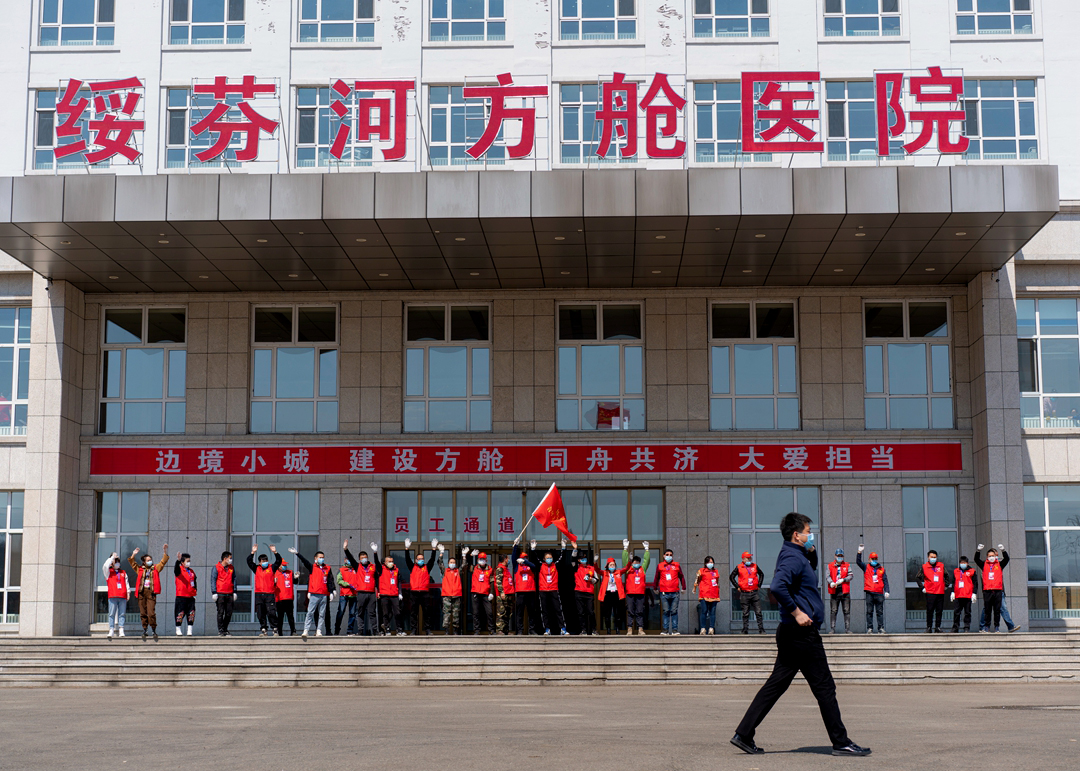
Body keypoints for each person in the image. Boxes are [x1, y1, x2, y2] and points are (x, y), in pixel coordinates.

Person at [731, 512, 870, 757]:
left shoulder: (795, 555)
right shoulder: (793, 558)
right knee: (825, 688)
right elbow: (777, 586)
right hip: (802, 634)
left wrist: (812, 553)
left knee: (775, 685)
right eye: (807, 532)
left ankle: (743, 734)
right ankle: (841, 742)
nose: (810, 535)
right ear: (797, 535)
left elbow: (804, 577)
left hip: (791, 634)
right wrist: (797, 613)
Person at [291, 547, 335, 639]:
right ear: (315, 558)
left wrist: (332, 591)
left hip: (324, 594)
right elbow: (304, 561)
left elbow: (330, 580)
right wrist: (297, 553)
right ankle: (306, 630)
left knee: (322, 614)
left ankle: (319, 630)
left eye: (323, 557)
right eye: (320, 557)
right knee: (310, 612)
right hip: (314, 594)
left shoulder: (327, 568)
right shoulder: (312, 567)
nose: (321, 559)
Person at [128, 544, 168, 641]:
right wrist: (133, 554)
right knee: (143, 613)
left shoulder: (155, 568)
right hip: (142, 592)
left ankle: (153, 629)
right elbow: (133, 564)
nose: (150, 561)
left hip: (151, 592)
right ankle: (145, 630)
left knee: (151, 613)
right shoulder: (140, 569)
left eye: (151, 560)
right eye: (148, 560)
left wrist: (165, 552)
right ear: (144, 562)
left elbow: (162, 563)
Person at [404, 538, 439, 635]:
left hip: (425, 593)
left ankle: (427, 629)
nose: (420, 560)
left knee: (427, 612)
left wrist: (434, 549)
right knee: (413, 613)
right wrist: (406, 549)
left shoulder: (427, 567)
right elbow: (407, 560)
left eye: (422, 559)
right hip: (414, 593)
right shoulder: (413, 567)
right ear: (416, 560)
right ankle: (414, 630)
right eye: (419, 559)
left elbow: (432, 560)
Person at [246, 544, 282, 637]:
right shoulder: (256, 569)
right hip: (259, 594)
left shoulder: (271, 568)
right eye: (263, 561)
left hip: (269, 594)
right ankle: (264, 629)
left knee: (271, 611)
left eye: (266, 561)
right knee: (260, 612)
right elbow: (249, 562)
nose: (265, 562)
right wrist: (252, 552)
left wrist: (275, 552)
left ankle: (275, 629)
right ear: (260, 563)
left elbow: (278, 561)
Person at [344, 541, 378, 636]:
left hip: (371, 593)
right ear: (359, 559)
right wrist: (346, 549)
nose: (364, 559)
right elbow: (351, 558)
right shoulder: (357, 566)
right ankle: (360, 630)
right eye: (362, 558)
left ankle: (375, 631)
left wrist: (375, 553)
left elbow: (378, 568)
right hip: (361, 592)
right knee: (360, 613)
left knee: (372, 613)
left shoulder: (372, 567)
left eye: (365, 557)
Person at [538, 540, 572, 636]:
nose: (549, 559)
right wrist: (532, 549)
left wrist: (564, 548)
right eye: (547, 558)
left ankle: (563, 629)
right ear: (544, 559)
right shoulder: (541, 565)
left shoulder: (555, 565)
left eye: (550, 557)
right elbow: (535, 559)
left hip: (553, 589)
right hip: (543, 590)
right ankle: (547, 629)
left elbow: (562, 558)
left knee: (558, 609)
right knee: (544, 610)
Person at [975, 543, 1011, 633]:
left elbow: (1007, 559)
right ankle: (986, 627)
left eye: (993, 555)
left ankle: (996, 627)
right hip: (987, 591)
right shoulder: (984, 565)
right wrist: (978, 551)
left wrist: (1003, 550)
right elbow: (976, 559)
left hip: (997, 590)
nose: (991, 557)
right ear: (987, 557)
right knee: (987, 610)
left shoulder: (999, 565)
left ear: (995, 556)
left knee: (997, 610)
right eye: (990, 556)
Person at [372, 542, 405, 636]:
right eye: (389, 561)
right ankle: (387, 629)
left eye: (392, 561)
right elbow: (377, 562)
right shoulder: (381, 569)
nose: (391, 563)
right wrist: (375, 552)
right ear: (385, 562)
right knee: (385, 613)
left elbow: (398, 582)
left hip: (394, 594)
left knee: (397, 613)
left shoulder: (396, 570)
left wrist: (400, 593)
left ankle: (399, 630)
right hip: (384, 594)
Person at [729, 551, 765, 635]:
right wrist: (737, 586)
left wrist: (759, 585)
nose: (749, 559)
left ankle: (761, 629)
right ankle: (745, 629)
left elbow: (761, 574)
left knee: (758, 612)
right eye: (748, 558)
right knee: (745, 613)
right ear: (743, 559)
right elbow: (731, 577)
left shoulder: (754, 566)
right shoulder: (739, 567)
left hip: (754, 592)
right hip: (744, 593)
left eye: (750, 558)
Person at [855, 545, 889, 634]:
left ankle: (881, 628)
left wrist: (887, 591)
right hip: (869, 592)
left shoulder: (881, 569)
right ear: (869, 559)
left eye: (875, 559)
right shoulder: (866, 567)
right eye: (872, 559)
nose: (874, 560)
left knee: (880, 612)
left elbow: (885, 580)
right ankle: (870, 628)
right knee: (869, 611)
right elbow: (858, 562)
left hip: (879, 593)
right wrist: (859, 552)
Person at [512, 540, 543, 635]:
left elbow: (535, 566)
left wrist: (526, 561)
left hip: (530, 591)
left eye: (525, 558)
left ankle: (532, 629)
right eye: (522, 558)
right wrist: (515, 546)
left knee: (531, 612)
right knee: (520, 612)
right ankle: (520, 630)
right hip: (521, 592)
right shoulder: (517, 566)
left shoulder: (530, 567)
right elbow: (513, 557)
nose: (524, 559)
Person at [916, 549, 952, 633]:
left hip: (940, 592)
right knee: (930, 610)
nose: (933, 558)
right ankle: (929, 627)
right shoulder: (924, 567)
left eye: (935, 557)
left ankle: (937, 627)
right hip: (930, 592)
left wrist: (946, 585)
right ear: (928, 558)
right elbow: (917, 577)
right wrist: (922, 587)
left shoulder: (941, 566)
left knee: (939, 610)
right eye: (931, 557)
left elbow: (947, 575)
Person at [654, 548, 686, 636]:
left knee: (674, 611)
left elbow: (681, 576)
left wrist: (684, 587)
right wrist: (655, 588)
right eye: (667, 555)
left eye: (670, 555)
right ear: (663, 556)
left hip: (675, 592)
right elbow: (656, 577)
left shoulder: (676, 565)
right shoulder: (660, 565)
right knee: (666, 611)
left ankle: (675, 630)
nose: (669, 556)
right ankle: (665, 630)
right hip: (664, 592)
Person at [437, 544, 467, 635]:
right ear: (448, 563)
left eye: (453, 562)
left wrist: (464, 555)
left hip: (456, 595)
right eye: (451, 562)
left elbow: (464, 565)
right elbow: (439, 563)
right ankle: (446, 630)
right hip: (446, 595)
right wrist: (441, 553)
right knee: (446, 614)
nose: (452, 563)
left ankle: (455, 631)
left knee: (456, 615)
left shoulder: (458, 571)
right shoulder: (445, 571)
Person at [570, 543, 598, 635]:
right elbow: (572, 559)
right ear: (579, 560)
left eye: (585, 558)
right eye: (582, 558)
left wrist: (591, 579)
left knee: (590, 611)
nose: (584, 560)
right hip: (579, 592)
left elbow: (596, 580)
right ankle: (583, 630)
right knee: (581, 612)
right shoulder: (576, 567)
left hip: (589, 593)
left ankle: (594, 629)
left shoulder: (592, 568)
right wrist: (575, 549)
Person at [623, 541, 650, 635]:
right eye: (635, 562)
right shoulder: (628, 570)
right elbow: (625, 561)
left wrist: (647, 550)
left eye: (638, 562)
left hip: (640, 593)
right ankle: (629, 629)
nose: (636, 563)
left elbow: (647, 561)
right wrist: (625, 549)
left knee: (639, 611)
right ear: (632, 563)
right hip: (630, 593)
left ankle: (640, 629)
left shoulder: (643, 569)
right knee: (630, 612)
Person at [103, 552, 131, 639]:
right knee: (111, 613)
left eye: (118, 561)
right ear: (112, 563)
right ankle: (111, 629)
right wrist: (112, 557)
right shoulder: (108, 572)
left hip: (122, 595)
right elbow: (105, 566)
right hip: (112, 595)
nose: (117, 563)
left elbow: (126, 583)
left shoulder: (123, 572)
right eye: (116, 562)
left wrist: (128, 592)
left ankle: (121, 629)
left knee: (122, 613)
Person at [467, 548, 496, 635]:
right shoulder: (475, 568)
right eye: (480, 559)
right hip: (476, 593)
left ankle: (491, 629)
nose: (482, 561)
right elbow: (468, 565)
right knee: (476, 613)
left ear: (486, 560)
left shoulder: (490, 569)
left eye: (483, 559)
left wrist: (492, 592)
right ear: (478, 560)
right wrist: (470, 556)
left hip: (486, 594)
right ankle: (477, 630)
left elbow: (492, 582)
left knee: (489, 612)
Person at [210, 551, 238, 637]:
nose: (230, 560)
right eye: (229, 558)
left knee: (229, 613)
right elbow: (213, 580)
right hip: (220, 593)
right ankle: (221, 630)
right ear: (225, 559)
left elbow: (234, 579)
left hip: (229, 593)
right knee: (220, 612)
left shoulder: (231, 568)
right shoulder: (216, 567)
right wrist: (214, 592)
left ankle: (225, 629)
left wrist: (235, 591)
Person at [826, 549, 853, 634]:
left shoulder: (847, 565)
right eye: (838, 556)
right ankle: (832, 629)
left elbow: (851, 576)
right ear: (835, 556)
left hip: (845, 591)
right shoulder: (830, 565)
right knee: (833, 610)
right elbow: (828, 576)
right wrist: (831, 582)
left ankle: (847, 629)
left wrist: (843, 580)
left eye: (841, 556)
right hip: (834, 591)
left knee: (846, 610)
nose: (840, 557)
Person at [694, 556, 721, 635]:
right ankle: (703, 628)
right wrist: (695, 587)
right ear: (705, 563)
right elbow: (697, 581)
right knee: (704, 611)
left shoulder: (715, 571)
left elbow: (717, 581)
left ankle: (711, 628)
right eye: (709, 562)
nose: (710, 564)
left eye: (712, 562)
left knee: (712, 612)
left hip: (714, 594)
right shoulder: (701, 571)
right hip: (704, 594)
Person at [951, 556, 978, 633]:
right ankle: (955, 627)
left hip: (967, 595)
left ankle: (966, 627)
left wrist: (974, 593)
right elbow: (953, 582)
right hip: (958, 595)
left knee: (967, 612)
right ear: (959, 563)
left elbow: (975, 583)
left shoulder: (972, 571)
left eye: (964, 563)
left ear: (967, 563)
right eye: (961, 563)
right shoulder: (956, 571)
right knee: (956, 612)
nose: (963, 564)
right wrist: (952, 592)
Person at [335, 556, 360, 636]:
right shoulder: (341, 570)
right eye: (347, 560)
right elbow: (339, 580)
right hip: (344, 594)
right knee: (341, 612)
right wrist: (348, 584)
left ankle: (350, 630)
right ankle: (336, 630)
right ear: (345, 560)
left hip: (353, 594)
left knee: (352, 613)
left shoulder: (355, 569)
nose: (349, 561)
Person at [173, 553, 197, 637]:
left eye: (189, 561)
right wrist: (178, 561)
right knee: (180, 613)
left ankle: (189, 629)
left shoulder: (191, 571)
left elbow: (194, 582)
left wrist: (195, 592)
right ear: (182, 562)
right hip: (181, 595)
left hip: (190, 596)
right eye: (187, 561)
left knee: (191, 613)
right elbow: (175, 570)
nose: (189, 562)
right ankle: (178, 629)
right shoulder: (179, 570)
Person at [275, 560, 298, 636]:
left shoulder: (290, 572)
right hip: (280, 598)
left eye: (285, 565)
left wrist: (296, 578)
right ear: (279, 566)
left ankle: (293, 631)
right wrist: (273, 582)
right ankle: (279, 632)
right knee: (280, 617)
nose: (285, 566)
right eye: (283, 565)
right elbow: (272, 586)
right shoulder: (275, 573)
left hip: (289, 598)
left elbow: (295, 582)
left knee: (290, 616)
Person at [495, 552, 516, 635]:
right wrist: (501, 592)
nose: (508, 560)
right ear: (505, 559)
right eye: (507, 558)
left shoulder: (506, 568)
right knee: (501, 612)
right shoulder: (500, 568)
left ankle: (506, 630)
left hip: (509, 593)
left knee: (508, 612)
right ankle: (500, 630)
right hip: (503, 594)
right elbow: (498, 581)